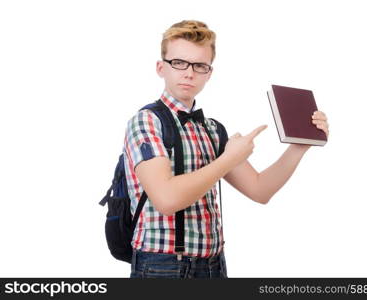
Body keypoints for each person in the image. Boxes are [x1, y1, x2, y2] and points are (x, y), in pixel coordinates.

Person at [123, 20, 329, 278]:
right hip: (162, 266)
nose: (189, 73)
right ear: (161, 67)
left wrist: (299, 147)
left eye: (199, 66)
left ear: (209, 72)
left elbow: (260, 190)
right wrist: (229, 159)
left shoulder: (211, 129)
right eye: (179, 63)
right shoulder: (146, 121)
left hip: (214, 265)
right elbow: (166, 199)